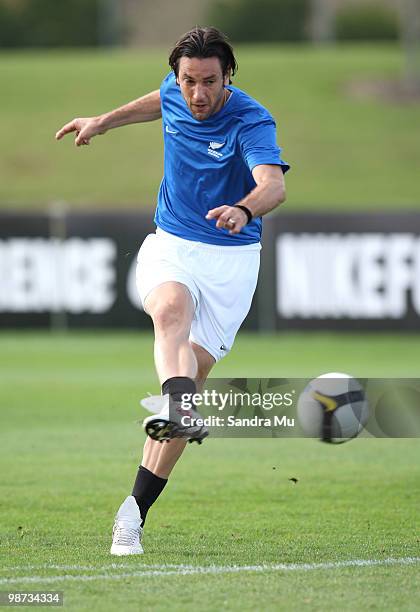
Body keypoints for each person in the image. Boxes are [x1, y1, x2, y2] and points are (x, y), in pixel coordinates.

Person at [56, 26, 289, 556]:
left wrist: (245, 207)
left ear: (228, 76)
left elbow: (273, 182)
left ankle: (133, 511)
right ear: (178, 76)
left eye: (209, 82)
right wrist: (103, 122)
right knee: (169, 309)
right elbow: (155, 102)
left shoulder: (251, 119)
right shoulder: (173, 90)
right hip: (173, 243)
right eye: (188, 81)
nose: (197, 94)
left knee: (193, 372)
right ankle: (178, 404)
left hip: (231, 259)